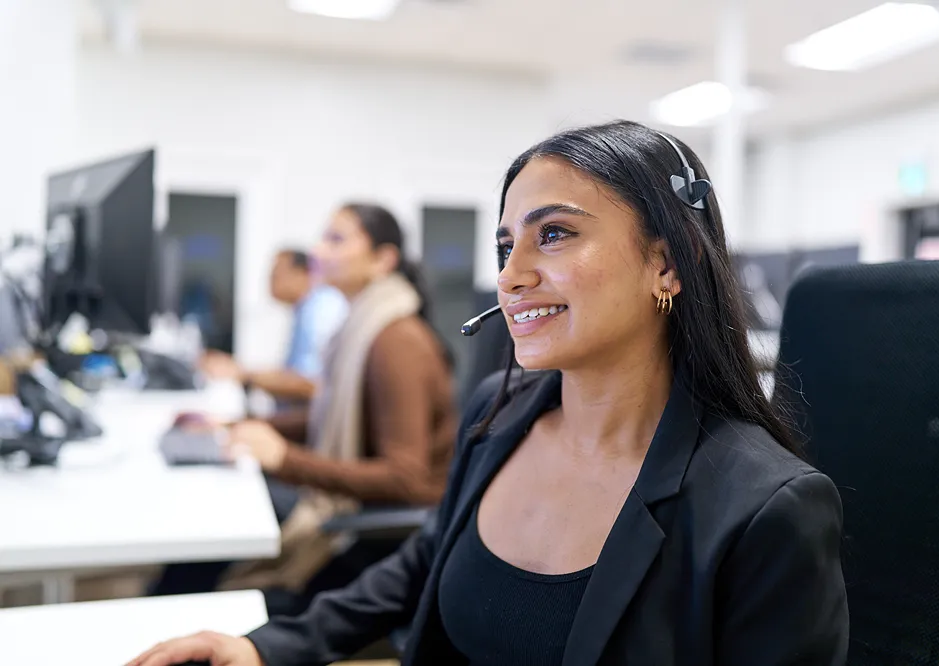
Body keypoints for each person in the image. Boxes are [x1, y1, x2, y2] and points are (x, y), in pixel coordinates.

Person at [128, 121, 848, 666]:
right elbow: (425, 561)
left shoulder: (764, 510)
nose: (510, 275)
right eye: (507, 247)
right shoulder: (500, 416)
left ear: (669, 262)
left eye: (555, 234)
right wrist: (269, 647)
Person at [149, 204, 456, 614]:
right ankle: (163, 617)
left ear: (383, 259)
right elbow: (324, 416)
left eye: (337, 239)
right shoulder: (361, 325)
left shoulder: (397, 340)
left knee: (219, 558)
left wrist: (284, 459)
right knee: (205, 538)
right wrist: (239, 424)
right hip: (357, 509)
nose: (318, 249)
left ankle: (168, 620)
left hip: (379, 539)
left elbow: (408, 478)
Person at [201, 248, 347, 403]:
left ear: (302, 274)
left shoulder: (319, 312)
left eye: (276, 275)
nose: (269, 282)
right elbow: (294, 372)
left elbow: (309, 384)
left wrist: (243, 374)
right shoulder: (305, 309)